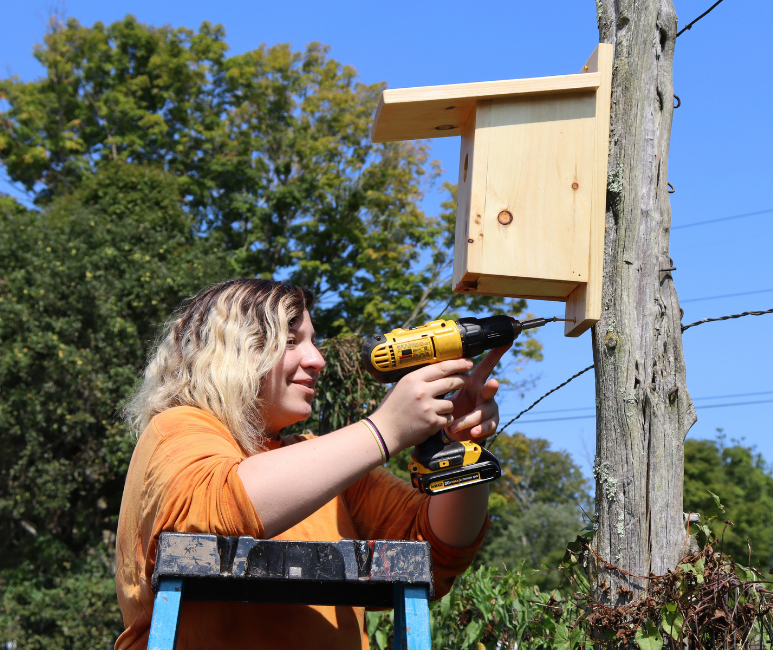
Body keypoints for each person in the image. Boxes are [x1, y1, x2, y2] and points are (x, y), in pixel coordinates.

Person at [115, 279, 509, 650]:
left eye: (314, 342)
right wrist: (384, 430)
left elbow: (438, 549)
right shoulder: (178, 428)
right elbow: (208, 510)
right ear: (232, 352)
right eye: (290, 341)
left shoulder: (321, 462)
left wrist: (460, 450)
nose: (317, 359)